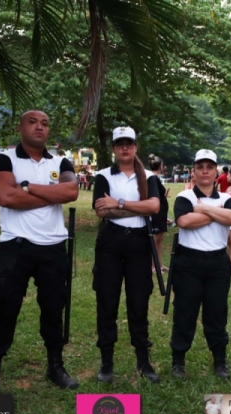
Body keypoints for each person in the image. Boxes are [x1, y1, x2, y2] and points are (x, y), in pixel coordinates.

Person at [0, 110, 79, 394]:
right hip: (15, 246)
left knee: (53, 310)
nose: (39, 127)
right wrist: (51, 194)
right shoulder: (5, 159)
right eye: (32, 122)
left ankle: (55, 367)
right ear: (20, 127)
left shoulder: (61, 161)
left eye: (45, 123)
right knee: (6, 309)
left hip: (53, 247)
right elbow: (6, 197)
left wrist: (26, 187)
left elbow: (70, 192)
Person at [92, 127, 161, 383]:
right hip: (110, 241)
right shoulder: (103, 175)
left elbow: (154, 206)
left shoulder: (149, 177)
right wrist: (138, 208)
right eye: (120, 143)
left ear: (135, 146)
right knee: (107, 301)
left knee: (139, 302)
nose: (125, 148)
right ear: (113, 148)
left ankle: (143, 360)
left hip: (139, 243)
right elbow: (102, 211)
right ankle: (106, 362)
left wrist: (118, 203)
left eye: (129, 143)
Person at [170, 149, 231, 379]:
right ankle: (178, 361)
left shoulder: (226, 198)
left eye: (209, 167)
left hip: (218, 262)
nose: (205, 171)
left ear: (216, 171)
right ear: (194, 171)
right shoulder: (185, 197)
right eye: (200, 167)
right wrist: (218, 213)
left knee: (217, 314)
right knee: (185, 313)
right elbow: (184, 221)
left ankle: (220, 362)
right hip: (188, 262)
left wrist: (204, 209)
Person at [149, 153, 170, 272]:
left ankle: (160, 264)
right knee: (155, 239)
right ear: (160, 166)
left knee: (159, 240)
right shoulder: (153, 178)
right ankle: (153, 266)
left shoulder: (155, 178)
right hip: (157, 212)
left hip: (161, 212)